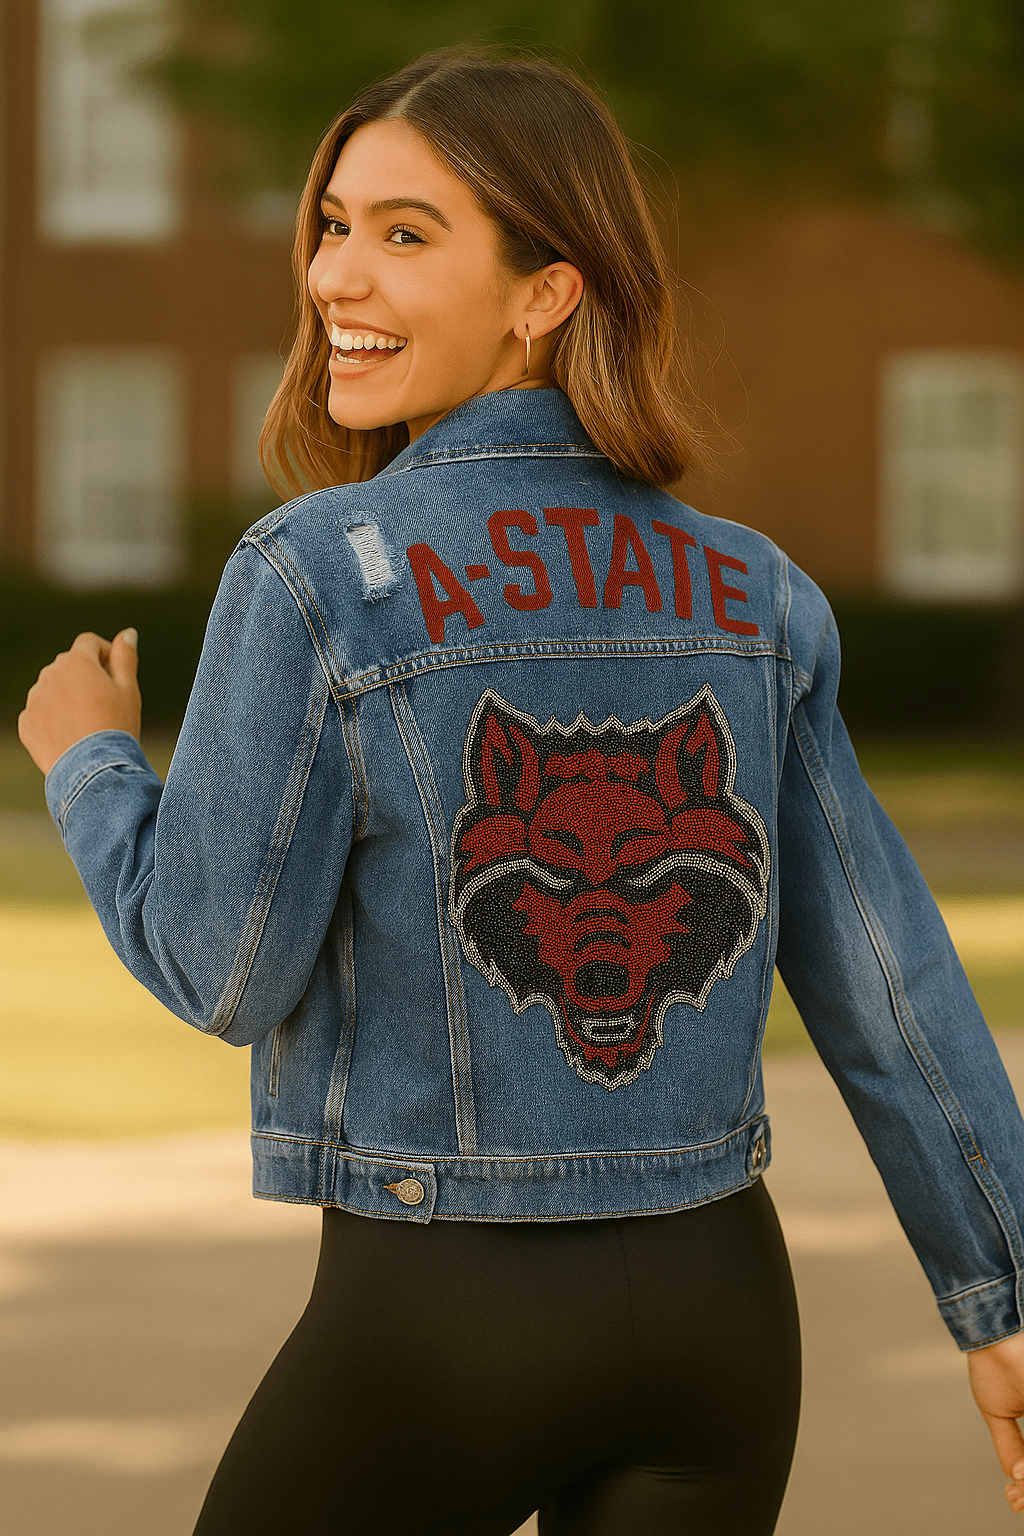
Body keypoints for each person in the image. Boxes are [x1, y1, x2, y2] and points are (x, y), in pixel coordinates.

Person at [16, 47, 1024, 1536]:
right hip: (722, 1324)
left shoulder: (314, 573)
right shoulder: (756, 593)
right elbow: (886, 980)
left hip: (435, 1325)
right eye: (334, 225)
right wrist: (997, 1294)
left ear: (545, 291)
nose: (336, 277)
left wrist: (91, 761)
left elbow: (222, 968)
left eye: (406, 236)